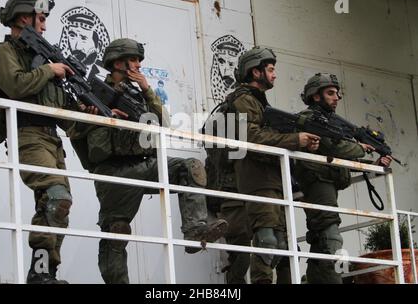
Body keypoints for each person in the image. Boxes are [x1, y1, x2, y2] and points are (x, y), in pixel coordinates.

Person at [69, 38, 228, 284]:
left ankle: (195, 229)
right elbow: (74, 130)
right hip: (114, 172)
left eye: (139, 61)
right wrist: (95, 116)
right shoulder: (94, 91)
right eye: (133, 60)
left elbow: (163, 123)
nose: (138, 65)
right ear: (118, 62)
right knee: (116, 232)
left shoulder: (138, 92)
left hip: (144, 163)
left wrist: (146, 89)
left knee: (190, 166)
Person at [0, 0, 76, 283]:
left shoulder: (41, 58)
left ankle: (44, 272)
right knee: (55, 195)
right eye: (40, 18)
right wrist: (50, 70)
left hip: (51, 138)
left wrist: (93, 110)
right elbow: (15, 85)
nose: (44, 26)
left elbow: (58, 106)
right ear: (24, 18)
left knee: (59, 205)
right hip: (27, 134)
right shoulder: (4, 54)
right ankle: (39, 274)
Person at [230, 46, 320, 284]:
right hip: (257, 181)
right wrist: (294, 139)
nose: (275, 74)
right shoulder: (243, 100)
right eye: (270, 70)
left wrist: (301, 142)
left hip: (273, 180)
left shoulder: (258, 101)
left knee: (283, 245)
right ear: (255, 72)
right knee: (267, 240)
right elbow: (250, 138)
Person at [295, 73, 393, 284]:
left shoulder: (331, 122)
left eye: (337, 93)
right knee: (330, 237)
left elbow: (338, 154)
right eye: (330, 93)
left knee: (321, 237)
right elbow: (331, 146)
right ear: (315, 96)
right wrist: (360, 148)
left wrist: (373, 165)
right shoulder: (311, 118)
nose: (337, 97)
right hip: (316, 182)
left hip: (325, 182)